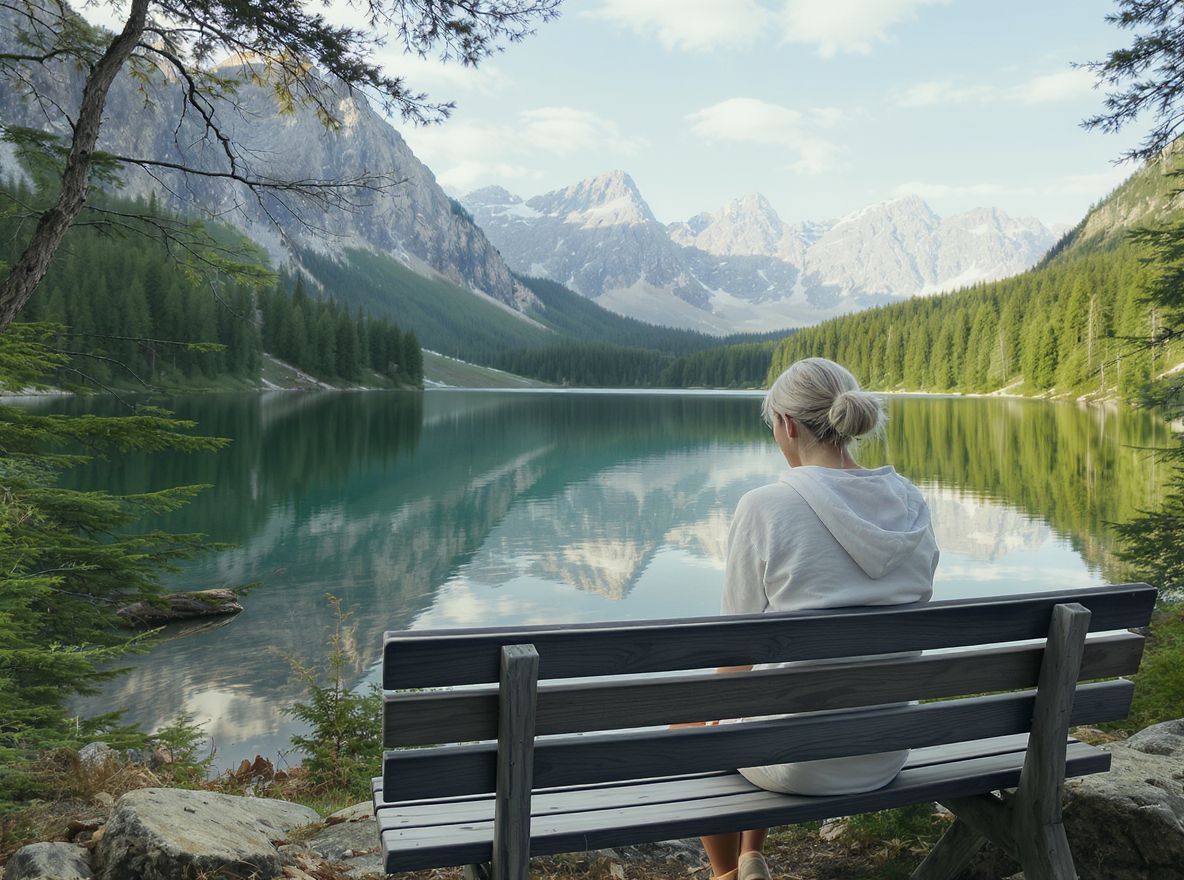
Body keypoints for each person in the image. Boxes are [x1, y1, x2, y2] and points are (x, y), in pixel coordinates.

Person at [701, 357, 940, 880]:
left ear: (788, 425)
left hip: (797, 761)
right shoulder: (913, 503)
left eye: (773, 426)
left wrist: (710, 707)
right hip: (885, 750)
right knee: (770, 696)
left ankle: (724, 874)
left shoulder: (766, 506)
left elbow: (733, 651)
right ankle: (750, 855)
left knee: (697, 721)